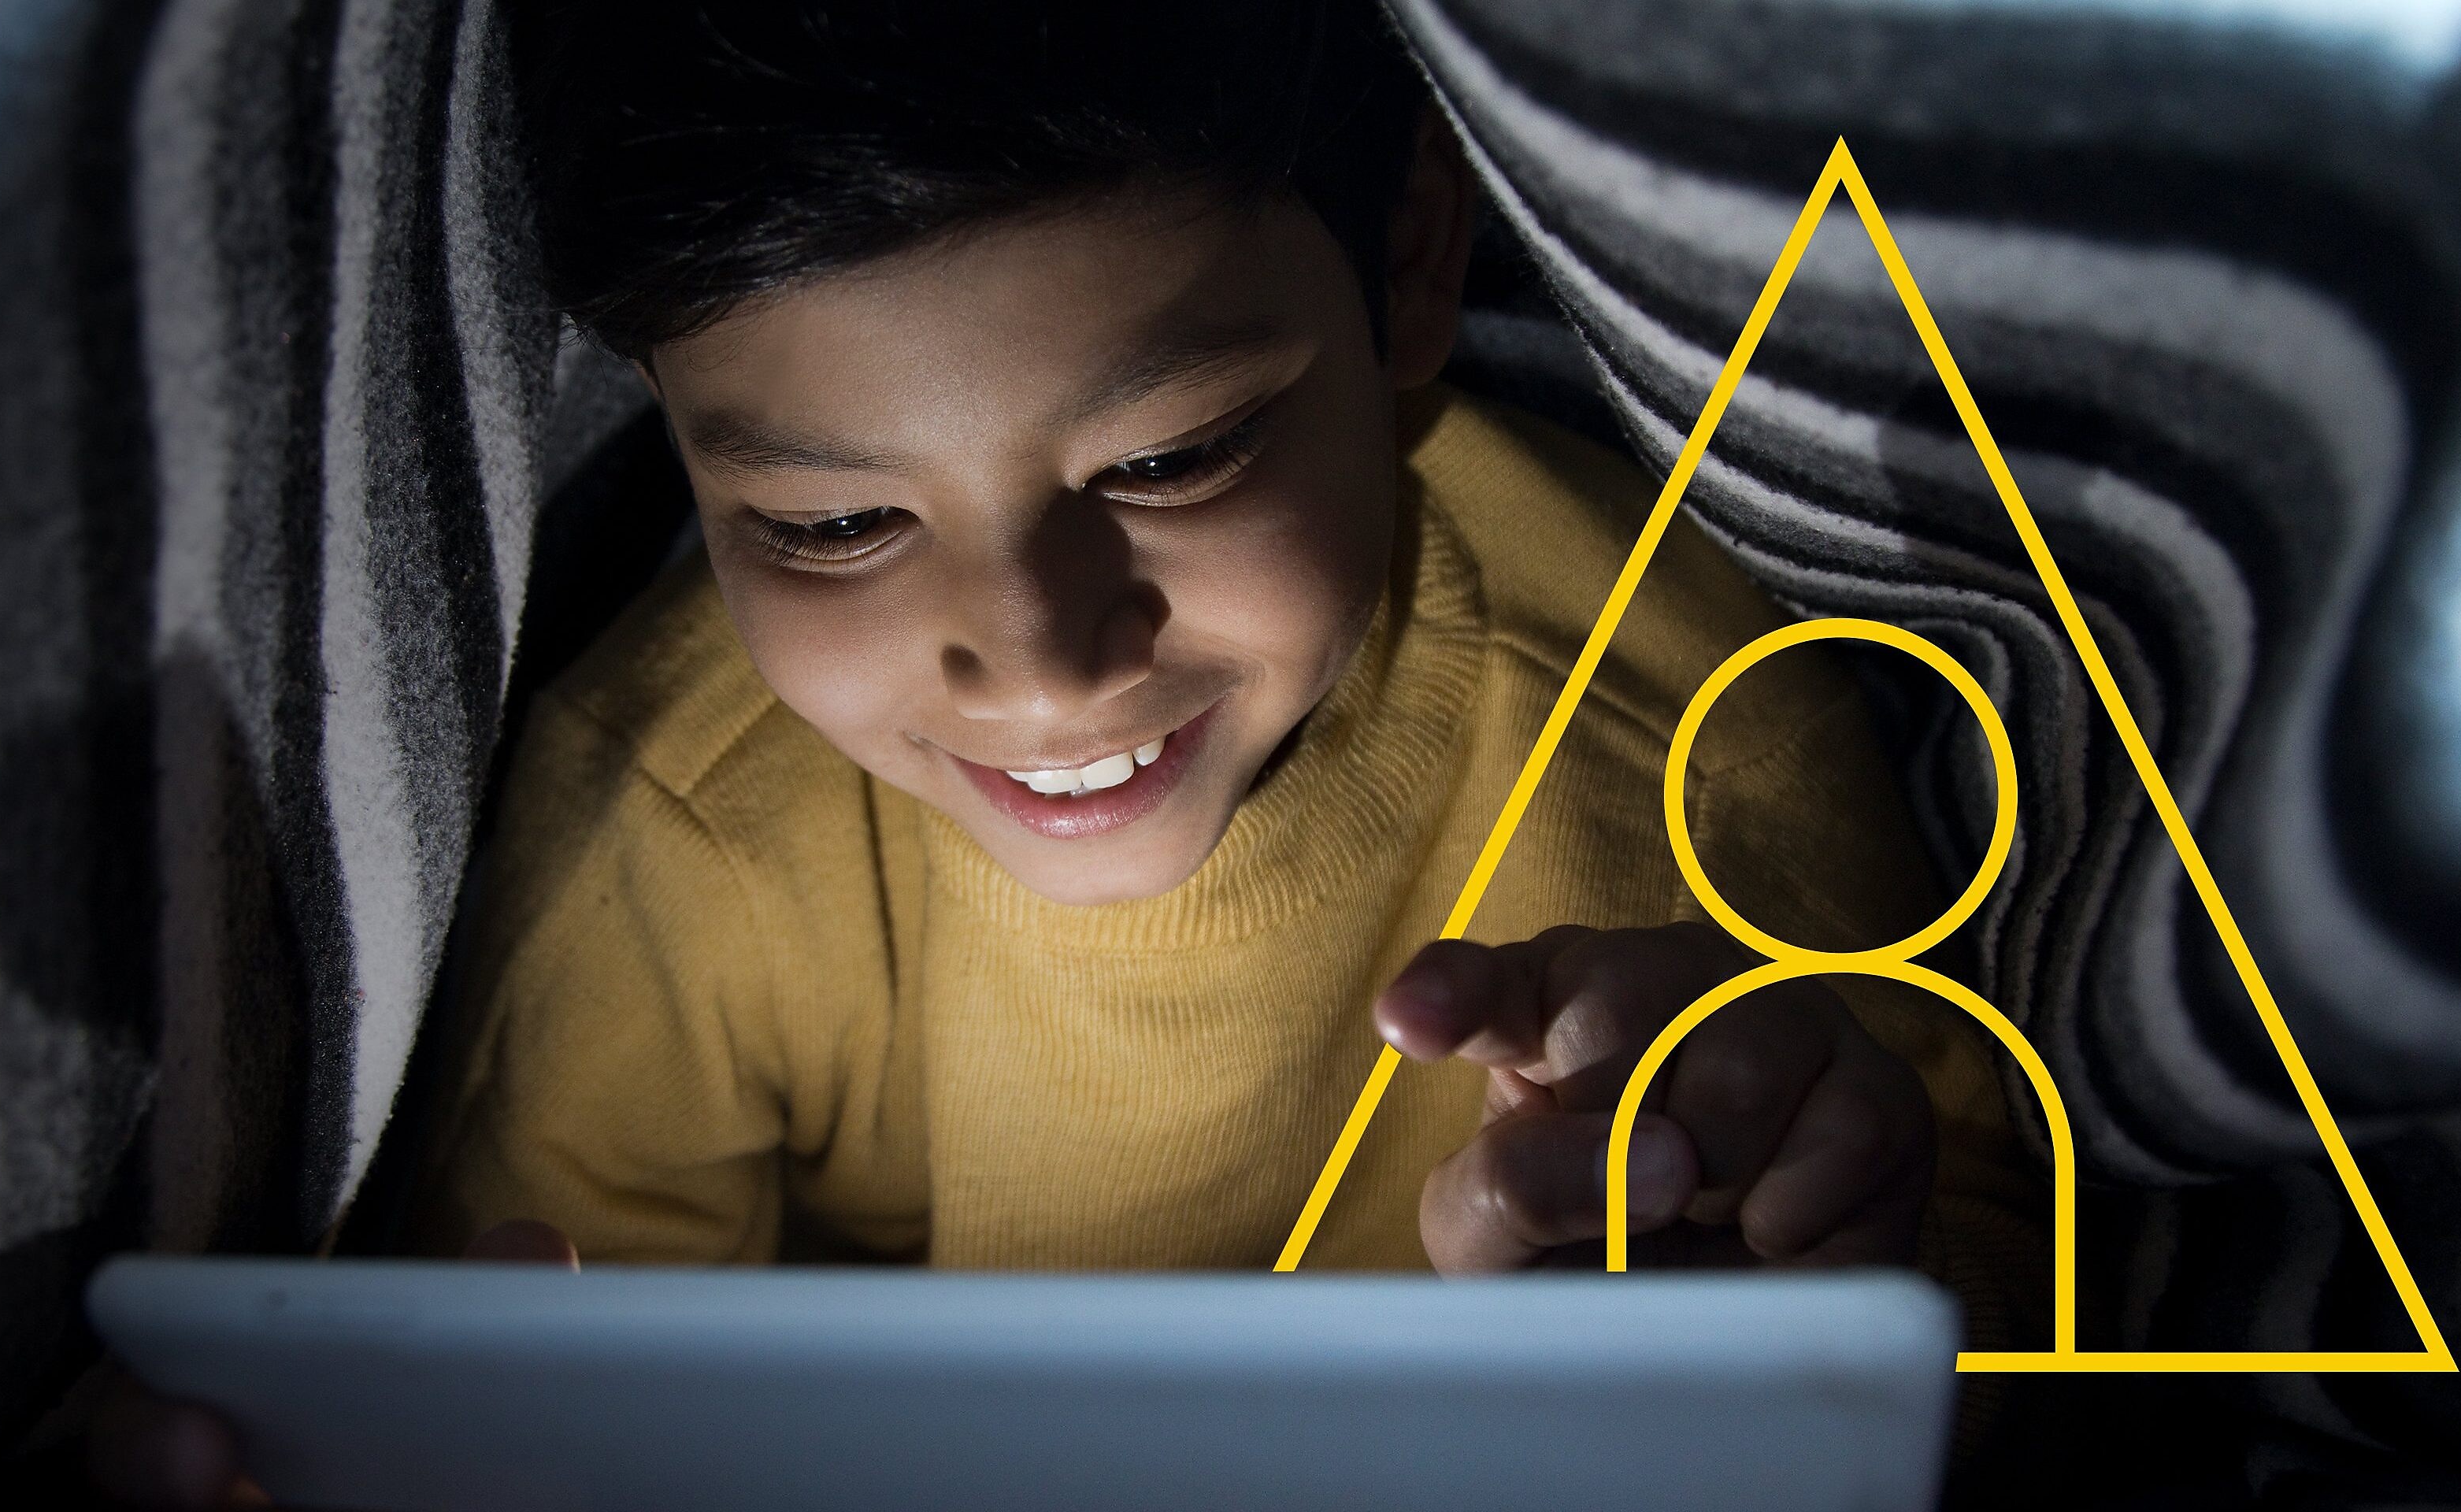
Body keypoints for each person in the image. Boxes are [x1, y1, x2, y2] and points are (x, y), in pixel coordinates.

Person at [98, 0, 2045, 1501]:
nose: (1037, 666)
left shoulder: (1693, 756)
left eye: (1172, 456)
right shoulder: (681, 822)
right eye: (829, 524)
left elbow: (1984, 1339)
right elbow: (510, 1366)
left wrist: (1793, 1282)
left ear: (1411, 275)